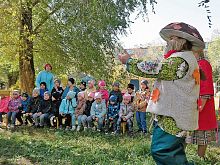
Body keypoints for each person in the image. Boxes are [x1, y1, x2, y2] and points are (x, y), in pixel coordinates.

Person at [119, 22, 203, 164]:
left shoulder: (180, 60)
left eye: (171, 38)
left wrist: (130, 62)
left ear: (180, 41)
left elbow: (155, 68)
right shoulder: (183, 58)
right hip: (176, 115)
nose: (167, 42)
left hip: (173, 117)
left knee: (162, 150)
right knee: (174, 152)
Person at [190, 47, 218, 159]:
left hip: (202, 104)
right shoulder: (195, 64)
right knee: (190, 134)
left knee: (203, 135)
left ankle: (200, 159)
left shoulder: (203, 64)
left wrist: (201, 105)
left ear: (196, 50)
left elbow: (205, 85)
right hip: (195, 102)